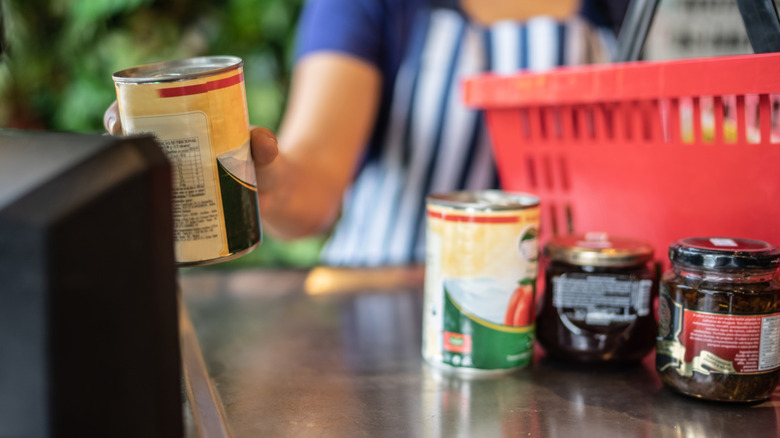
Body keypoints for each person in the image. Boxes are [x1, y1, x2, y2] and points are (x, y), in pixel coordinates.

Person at [105, 0, 628, 266]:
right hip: (378, 308)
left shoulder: (627, 11)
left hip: (567, 305)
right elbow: (312, 192)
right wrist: (255, 174)